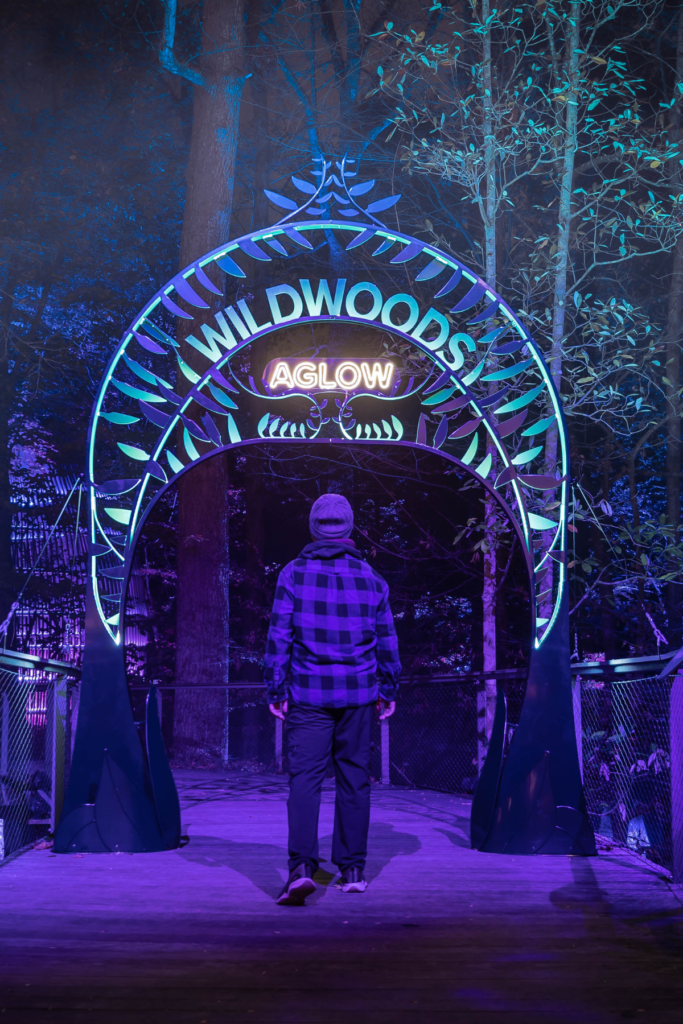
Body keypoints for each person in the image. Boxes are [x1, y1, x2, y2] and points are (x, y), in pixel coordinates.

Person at [264, 492, 401, 906]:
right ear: (349, 527)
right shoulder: (371, 578)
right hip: (359, 693)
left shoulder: (293, 574)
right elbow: (386, 640)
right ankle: (353, 870)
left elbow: (279, 636)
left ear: (313, 526)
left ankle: (302, 869)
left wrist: (276, 686)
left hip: (307, 693)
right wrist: (388, 688)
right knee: (354, 778)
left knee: (304, 780)